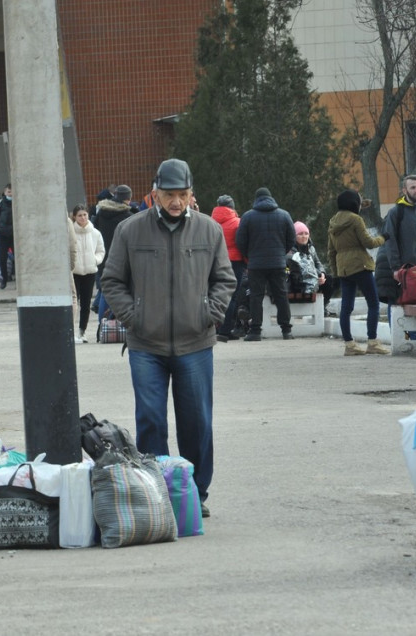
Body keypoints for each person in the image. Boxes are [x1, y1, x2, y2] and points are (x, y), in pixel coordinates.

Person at [101, 159, 236, 518]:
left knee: (197, 422)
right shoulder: (130, 231)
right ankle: (157, 490)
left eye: (182, 195)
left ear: (192, 195)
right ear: (154, 194)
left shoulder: (210, 231)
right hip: (147, 345)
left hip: (196, 344)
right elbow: (112, 280)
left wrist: (211, 313)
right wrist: (133, 317)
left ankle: (195, 493)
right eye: (168, 195)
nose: (175, 202)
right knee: (150, 420)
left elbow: (224, 280)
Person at [327, 189, 389, 355]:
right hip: (360, 265)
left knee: (346, 307)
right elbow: (368, 242)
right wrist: (383, 238)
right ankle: (372, 342)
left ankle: (349, 344)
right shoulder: (355, 219)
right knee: (373, 304)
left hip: (344, 269)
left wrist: (335, 273)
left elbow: (331, 251)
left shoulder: (333, 221)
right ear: (354, 203)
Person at [235, 187, 296, 341]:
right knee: (281, 295)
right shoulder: (284, 215)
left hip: (256, 264)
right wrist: (281, 253)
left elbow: (240, 241)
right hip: (278, 263)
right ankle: (286, 331)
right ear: (271, 198)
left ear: (256, 199)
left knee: (256, 297)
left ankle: (255, 331)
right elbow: (291, 239)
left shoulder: (248, 217)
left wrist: (250, 255)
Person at [378, 174, 416, 304]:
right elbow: (390, 241)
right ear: (404, 190)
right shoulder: (396, 212)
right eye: (412, 187)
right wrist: (396, 268)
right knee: (399, 304)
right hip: (405, 269)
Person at [93, 184, 136, 320]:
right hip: (120, 257)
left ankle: (102, 325)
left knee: (105, 290)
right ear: (128, 199)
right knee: (119, 290)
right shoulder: (127, 216)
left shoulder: (101, 213)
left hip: (103, 256)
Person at [211, 195, 245, 341]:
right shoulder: (237, 222)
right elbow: (242, 243)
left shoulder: (210, 222)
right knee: (232, 295)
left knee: (215, 294)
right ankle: (226, 329)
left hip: (214, 261)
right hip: (234, 262)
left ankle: (214, 327)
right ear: (232, 206)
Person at [70, 204, 104, 343]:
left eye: (85, 214)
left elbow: (101, 250)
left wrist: (95, 260)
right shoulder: (71, 232)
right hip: (74, 272)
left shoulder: (95, 233)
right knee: (73, 303)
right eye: (79, 215)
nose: (83, 218)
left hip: (90, 272)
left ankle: (82, 332)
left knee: (86, 303)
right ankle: (71, 331)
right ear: (74, 217)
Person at [287, 221, 335, 300]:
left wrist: (322, 274)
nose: (304, 236)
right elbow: (292, 268)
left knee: (330, 280)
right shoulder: (290, 249)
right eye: (300, 234)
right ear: (294, 236)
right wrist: (316, 275)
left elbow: (318, 263)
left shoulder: (311, 248)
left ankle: (323, 306)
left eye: (306, 233)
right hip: (298, 280)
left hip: (314, 277)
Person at [0, 184, 14, 289]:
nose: (11, 193)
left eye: (12, 191)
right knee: (2, 258)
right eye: (9, 191)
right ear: (5, 192)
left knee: (18, 258)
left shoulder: (17, 203)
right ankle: (4, 279)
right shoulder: (0, 204)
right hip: (3, 234)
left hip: (15, 234)